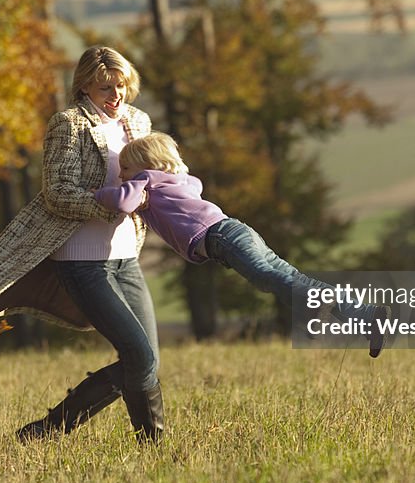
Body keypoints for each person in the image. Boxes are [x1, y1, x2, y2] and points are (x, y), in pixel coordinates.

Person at [0, 45, 164, 443]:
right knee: (139, 356)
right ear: (84, 87)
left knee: (147, 359)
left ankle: (153, 447)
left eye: (121, 86)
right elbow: (57, 193)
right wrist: (111, 208)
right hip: (82, 261)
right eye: (104, 89)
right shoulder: (68, 124)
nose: (115, 97)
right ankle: (48, 430)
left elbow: (156, 178)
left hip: (126, 257)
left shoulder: (138, 121)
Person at [94, 132, 387, 358]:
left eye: (126, 169)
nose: (121, 176)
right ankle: (365, 314)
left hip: (221, 237)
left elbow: (122, 201)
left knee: (268, 277)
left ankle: (315, 304)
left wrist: (97, 194)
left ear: (147, 165)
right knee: (290, 276)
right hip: (236, 231)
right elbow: (190, 188)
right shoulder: (179, 180)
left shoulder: (148, 179)